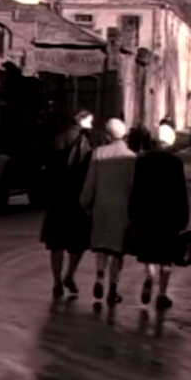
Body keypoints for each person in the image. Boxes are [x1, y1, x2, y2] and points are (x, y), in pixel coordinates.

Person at [128, 122, 190, 311]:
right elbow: (180, 192)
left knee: (148, 253)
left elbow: (136, 188)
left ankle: (149, 276)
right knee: (167, 257)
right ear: (170, 141)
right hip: (169, 216)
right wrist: (184, 217)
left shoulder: (142, 160)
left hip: (147, 214)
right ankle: (162, 293)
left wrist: (132, 212)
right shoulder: (175, 163)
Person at [80, 118, 136, 306]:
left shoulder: (99, 154)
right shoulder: (131, 157)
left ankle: (99, 274)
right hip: (122, 209)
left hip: (101, 207)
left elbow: (90, 182)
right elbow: (133, 186)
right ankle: (113, 288)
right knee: (117, 251)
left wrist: (84, 202)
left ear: (108, 135)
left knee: (102, 247)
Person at [40, 110, 95, 298]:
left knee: (56, 243)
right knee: (77, 242)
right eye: (90, 121)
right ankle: (70, 275)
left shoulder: (59, 139)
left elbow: (49, 168)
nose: (92, 125)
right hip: (77, 196)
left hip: (57, 196)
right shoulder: (86, 141)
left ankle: (56, 281)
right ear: (83, 121)